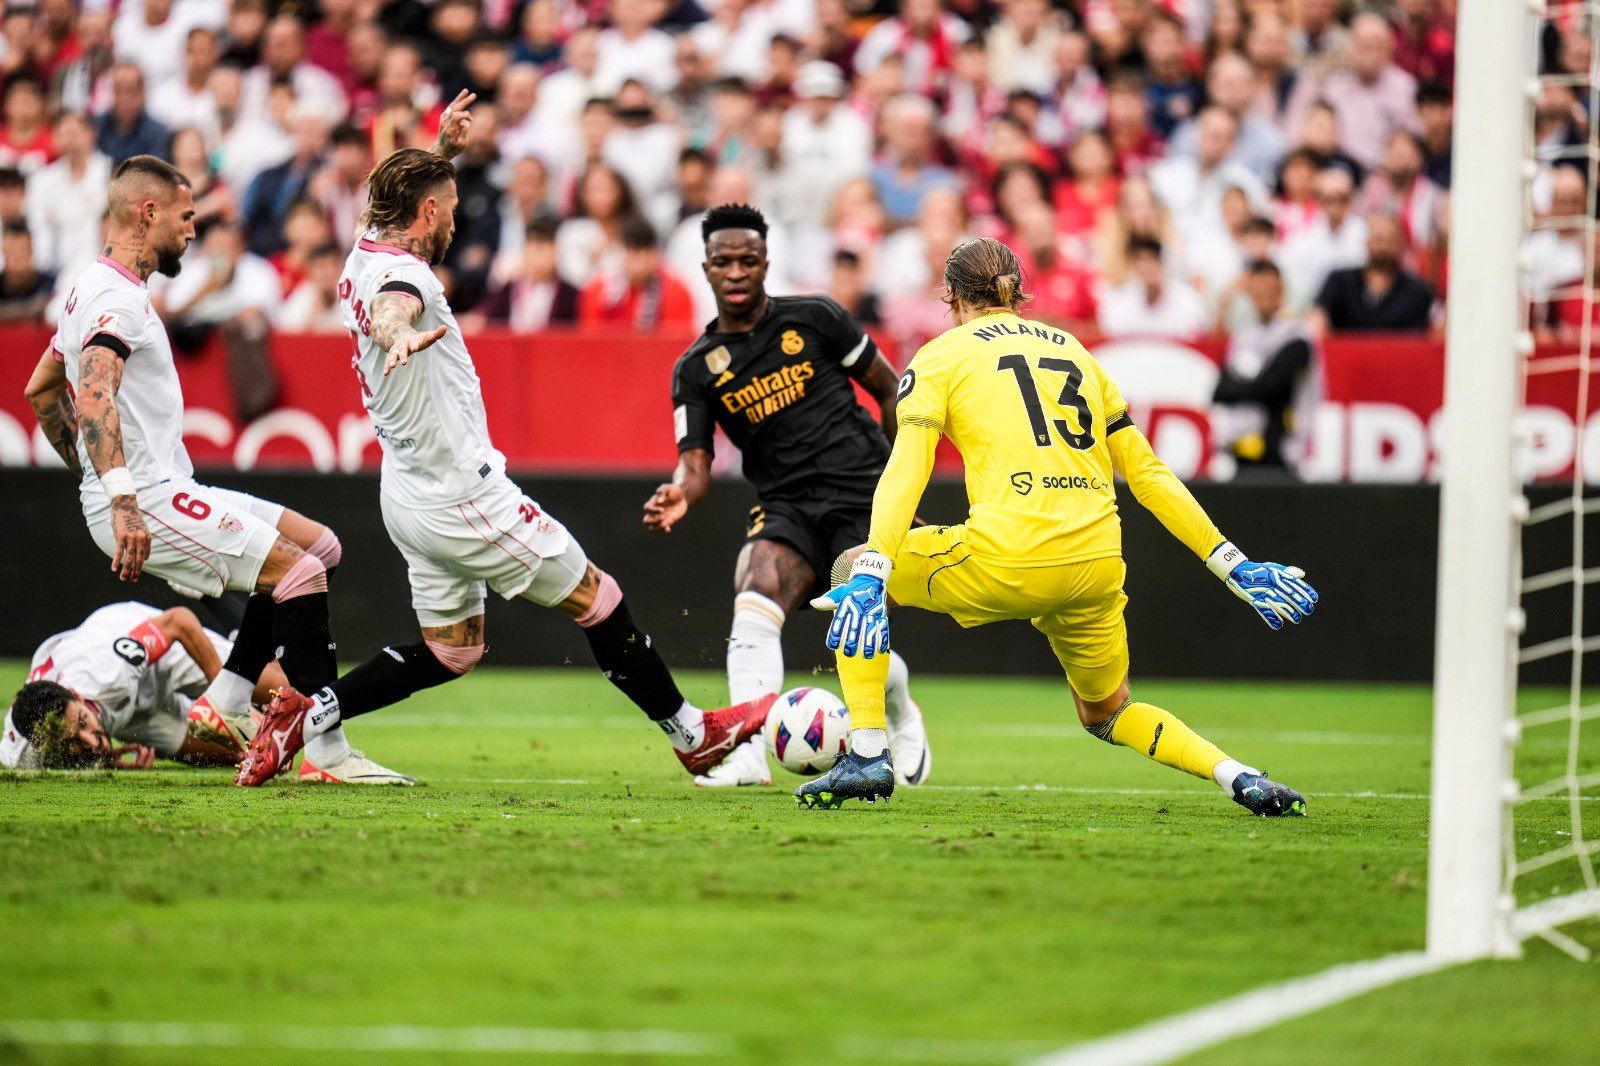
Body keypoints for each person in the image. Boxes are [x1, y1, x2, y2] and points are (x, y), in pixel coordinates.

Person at [238, 92, 774, 787]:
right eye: (451, 204)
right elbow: (391, 308)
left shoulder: (362, 250)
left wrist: (442, 151)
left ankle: (306, 718)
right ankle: (692, 733)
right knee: (597, 596)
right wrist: (398, 333)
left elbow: (388, 206)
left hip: (407, 491)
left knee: (453, 650)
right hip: (463, 496)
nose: (457, 217)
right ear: (429, 212)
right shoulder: (402, 280)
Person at [799, 237, 1316, 813]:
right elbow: (1146, 474)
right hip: (1096, 563)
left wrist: (873, 570)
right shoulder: (1077, 353)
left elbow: (907, 470)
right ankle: (1236, 774)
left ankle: (869, 752)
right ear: (1019, 292)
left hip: (1009, 556)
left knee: (853, 565)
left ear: (948, 296)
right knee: (1108, 711)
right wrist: (1232, 562)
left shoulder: (941, 355)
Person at [21, 154, 395, 786]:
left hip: (161, 490)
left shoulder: (90, 286)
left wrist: (93, 474)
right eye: (187, 216)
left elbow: (40, 388)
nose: (193, 231)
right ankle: (326, 756)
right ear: (149, 213)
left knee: (319, 547)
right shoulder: (116, 299)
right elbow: (92, 394)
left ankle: (224, 701)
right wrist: (118, 497)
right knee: (298, 573)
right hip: (147, 499)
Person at [644, 203, 930, 788]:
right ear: (706, 268)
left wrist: (901, 484)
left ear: (766, 262)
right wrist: (680, 493)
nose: (737, 272)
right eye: (724, 262)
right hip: (787, 504)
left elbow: (891, 390)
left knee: (861, 631)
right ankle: (749, 758)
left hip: (864, 496)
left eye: (748, 260)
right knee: (755, 586)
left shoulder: (818, 317)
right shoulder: (695, 369)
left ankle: (900, 709)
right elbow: (695, 465)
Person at [3, 601, 399, 782]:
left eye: (84, 724)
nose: (89, 740)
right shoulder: (23, 749)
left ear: (75, 696)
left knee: (284, 690)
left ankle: (223, 604)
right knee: (263, 759)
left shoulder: (107, 673)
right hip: (134, 711)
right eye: (73, 742)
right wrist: (104, 760)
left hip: (160, 649)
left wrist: (228, 697)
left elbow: (179, 623)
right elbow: (73, 733)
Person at [1212, 260, 1314, 473]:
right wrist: (1254, 386)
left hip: (1282, 452)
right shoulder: (1243, 337)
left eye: (1269, 290)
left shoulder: (1297, 337)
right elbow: (1219, 391)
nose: (1262, 297)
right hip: (1243, 449)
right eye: (1256, 291)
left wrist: (1240, 387)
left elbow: (1273, 386)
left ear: (1281, 292)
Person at [1310, 214, 1435, 335]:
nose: (1384, 247)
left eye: (1391, 241)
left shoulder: (1418, 291)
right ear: (1367, 241)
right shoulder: (1340, 282)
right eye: (1378, 239)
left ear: (1400, 244)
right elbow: (1318, 317)